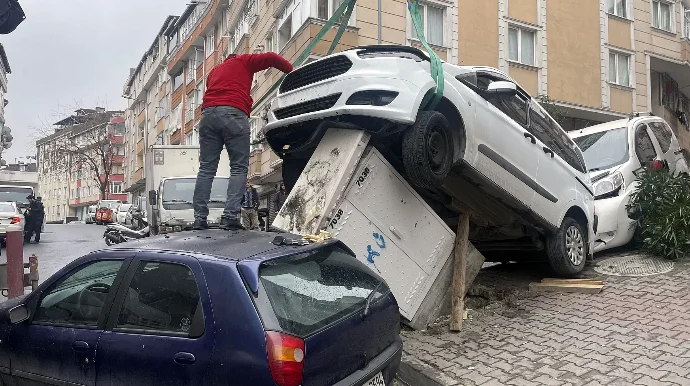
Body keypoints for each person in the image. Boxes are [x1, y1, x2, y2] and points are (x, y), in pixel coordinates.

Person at [192, 52, 294, 231]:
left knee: (206, 168)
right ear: (236, 56)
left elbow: (211, 90)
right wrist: (291, 71)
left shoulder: (214, 72)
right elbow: (271, 57)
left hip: (208, 116)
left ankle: (199, 219)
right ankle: (230, 216)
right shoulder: (244, 61)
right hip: (233, 112)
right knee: (238, 167)